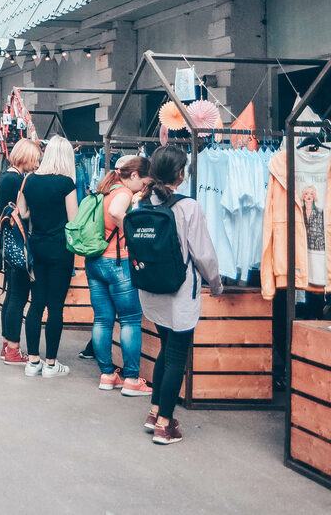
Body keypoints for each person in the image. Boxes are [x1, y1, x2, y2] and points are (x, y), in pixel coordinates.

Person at [139, 146, 223, 445]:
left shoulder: (143, 203)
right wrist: (216, 283)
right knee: (176, 355)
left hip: (151, 289)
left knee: (166, 348)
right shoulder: (188, 206)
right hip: (179, 291)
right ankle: (164, 423)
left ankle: (154, 412)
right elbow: (203, 253)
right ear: (179, 173)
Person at [87, 155, 154, 396]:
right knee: (130, 320)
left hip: (95, 262)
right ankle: (132, 379)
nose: (144, 188)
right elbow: (116, 212)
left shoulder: (106, 188)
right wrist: (132, 231)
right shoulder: (124, 192)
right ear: (134, 175)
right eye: (144, 182)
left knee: (102, 320)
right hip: (118, 262)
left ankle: (107, 374)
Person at [17, 136, 79, 378]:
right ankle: (51, 363)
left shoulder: (30, 179)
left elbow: (22, 211)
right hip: (60, 250)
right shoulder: (66, 183)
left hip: (37, 246)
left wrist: (37, 213)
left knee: (36, 304)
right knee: (55, 307)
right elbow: (73, 220)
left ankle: (33, 361)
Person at [0, 139, 41, 365]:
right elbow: (23, 212)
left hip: (9, 243)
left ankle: (8, 344)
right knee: (18, 296)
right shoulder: (17, 180)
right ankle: (13, 349)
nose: (36, 164)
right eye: (34, 159)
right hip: (19, 242)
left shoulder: (5, 177)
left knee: (12, 295)